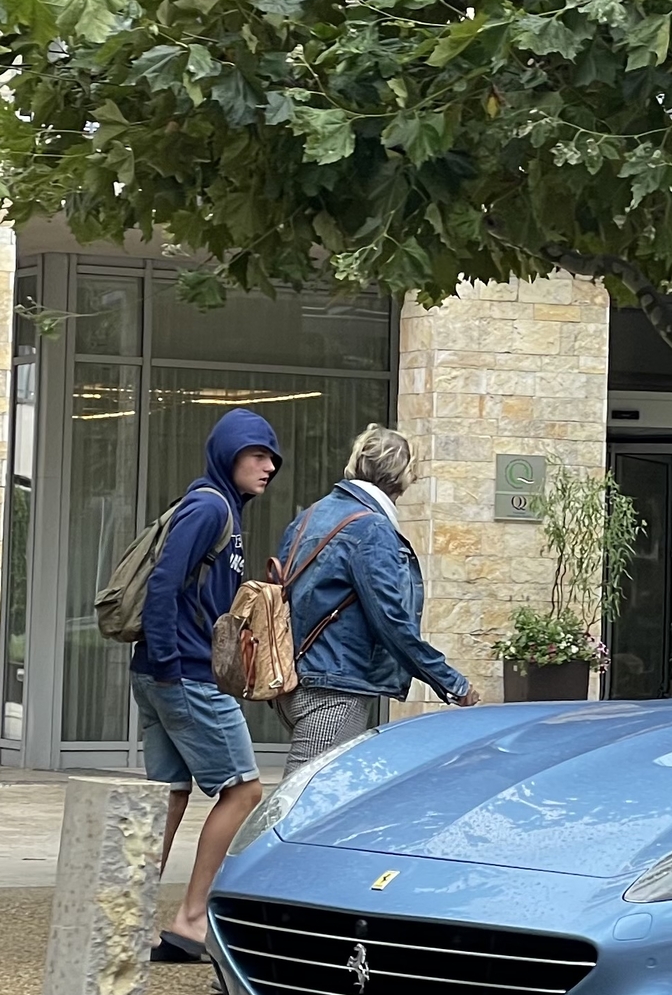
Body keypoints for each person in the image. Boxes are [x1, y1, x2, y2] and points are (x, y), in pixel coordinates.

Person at [134, 409, 280, 961]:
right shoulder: (210, 505)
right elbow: (165, 584)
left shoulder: (221, 508)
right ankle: (193, 918)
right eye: (257, 455)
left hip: (165, 673)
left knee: (167, 798)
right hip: (186, 675)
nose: (268, 467)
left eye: (271, 458)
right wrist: (172, 664)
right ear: (229, 456)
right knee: (243, 790)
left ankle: (126, 922)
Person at [277, 425, 479, 773]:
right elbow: (391, 620)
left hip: (293, 679)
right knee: (302, 803)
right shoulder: (371, 529)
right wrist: (450, 681)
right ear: (402, 477)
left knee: (329, 796)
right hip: (334, 689)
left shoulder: (309, 516)